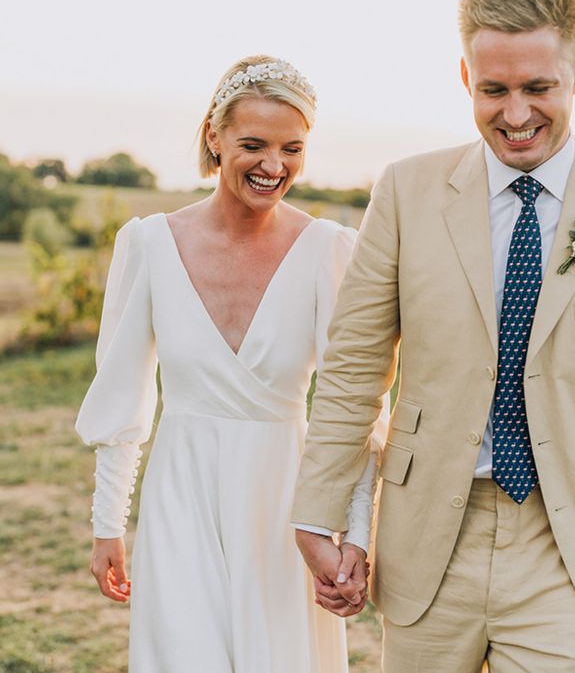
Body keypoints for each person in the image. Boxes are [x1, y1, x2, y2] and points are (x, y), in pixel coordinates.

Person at [292, 0, 575, 670]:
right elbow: (354, 366)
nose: (515, 114)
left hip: (570, 542)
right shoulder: (405, 191)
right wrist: (319, 510)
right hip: (429, 531)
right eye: (493, 90)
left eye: (538, 88)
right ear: (466, 77)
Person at [76, 55, 384, 672]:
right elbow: (123, 393)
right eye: (254, 144)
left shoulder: (329, 250)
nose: (274, 166)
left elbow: (353, 407)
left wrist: (352, 535)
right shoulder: (149, 244)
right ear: (214, 137)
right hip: (181, 492)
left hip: (288, 500)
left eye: (292, 149)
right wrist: (108, 523)